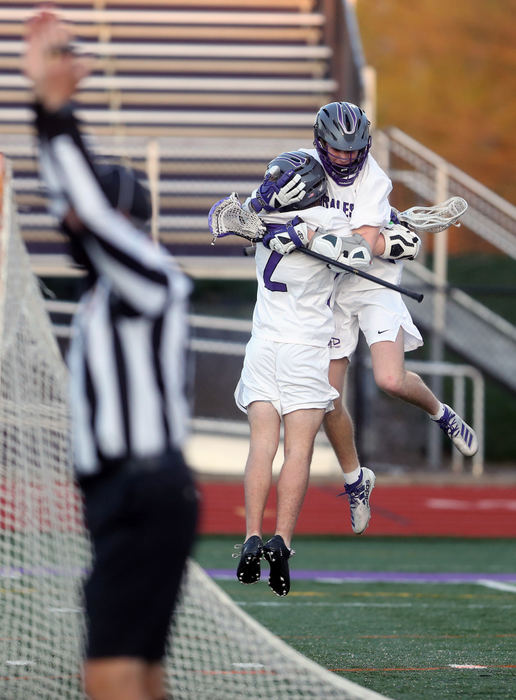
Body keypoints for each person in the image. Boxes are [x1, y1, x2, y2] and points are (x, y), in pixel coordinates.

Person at [23, 11, 198, 700]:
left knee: (112, 678)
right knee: (140, 677)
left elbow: (87, 212)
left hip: (142, 488)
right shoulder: (109, 289)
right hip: (133, 495)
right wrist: (47, 119)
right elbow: (75, 201)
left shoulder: (147, 276)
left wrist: (54, 112)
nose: (67, 222)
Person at [250, 101, 478, 537]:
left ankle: (440, 412)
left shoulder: (374, 177)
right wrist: (276, 228)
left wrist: (383, 237)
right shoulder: (300, 166)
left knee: (390, 379)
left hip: (371, 281)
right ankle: (356, 480)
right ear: (320, 144)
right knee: (328, 399)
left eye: (352, 151)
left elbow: (363, 247)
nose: (343, 159)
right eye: (335, 150)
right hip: (327, 287)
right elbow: (270, 214)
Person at [232, 151, 344, 597]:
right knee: (298, 451)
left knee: (262, 445)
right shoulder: (327, 220)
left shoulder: (260, 217)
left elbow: (226, 220)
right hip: (306, 350)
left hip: (263, 346)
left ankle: (250, 537)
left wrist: (270, 214)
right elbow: (357, 251)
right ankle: (282, 542)